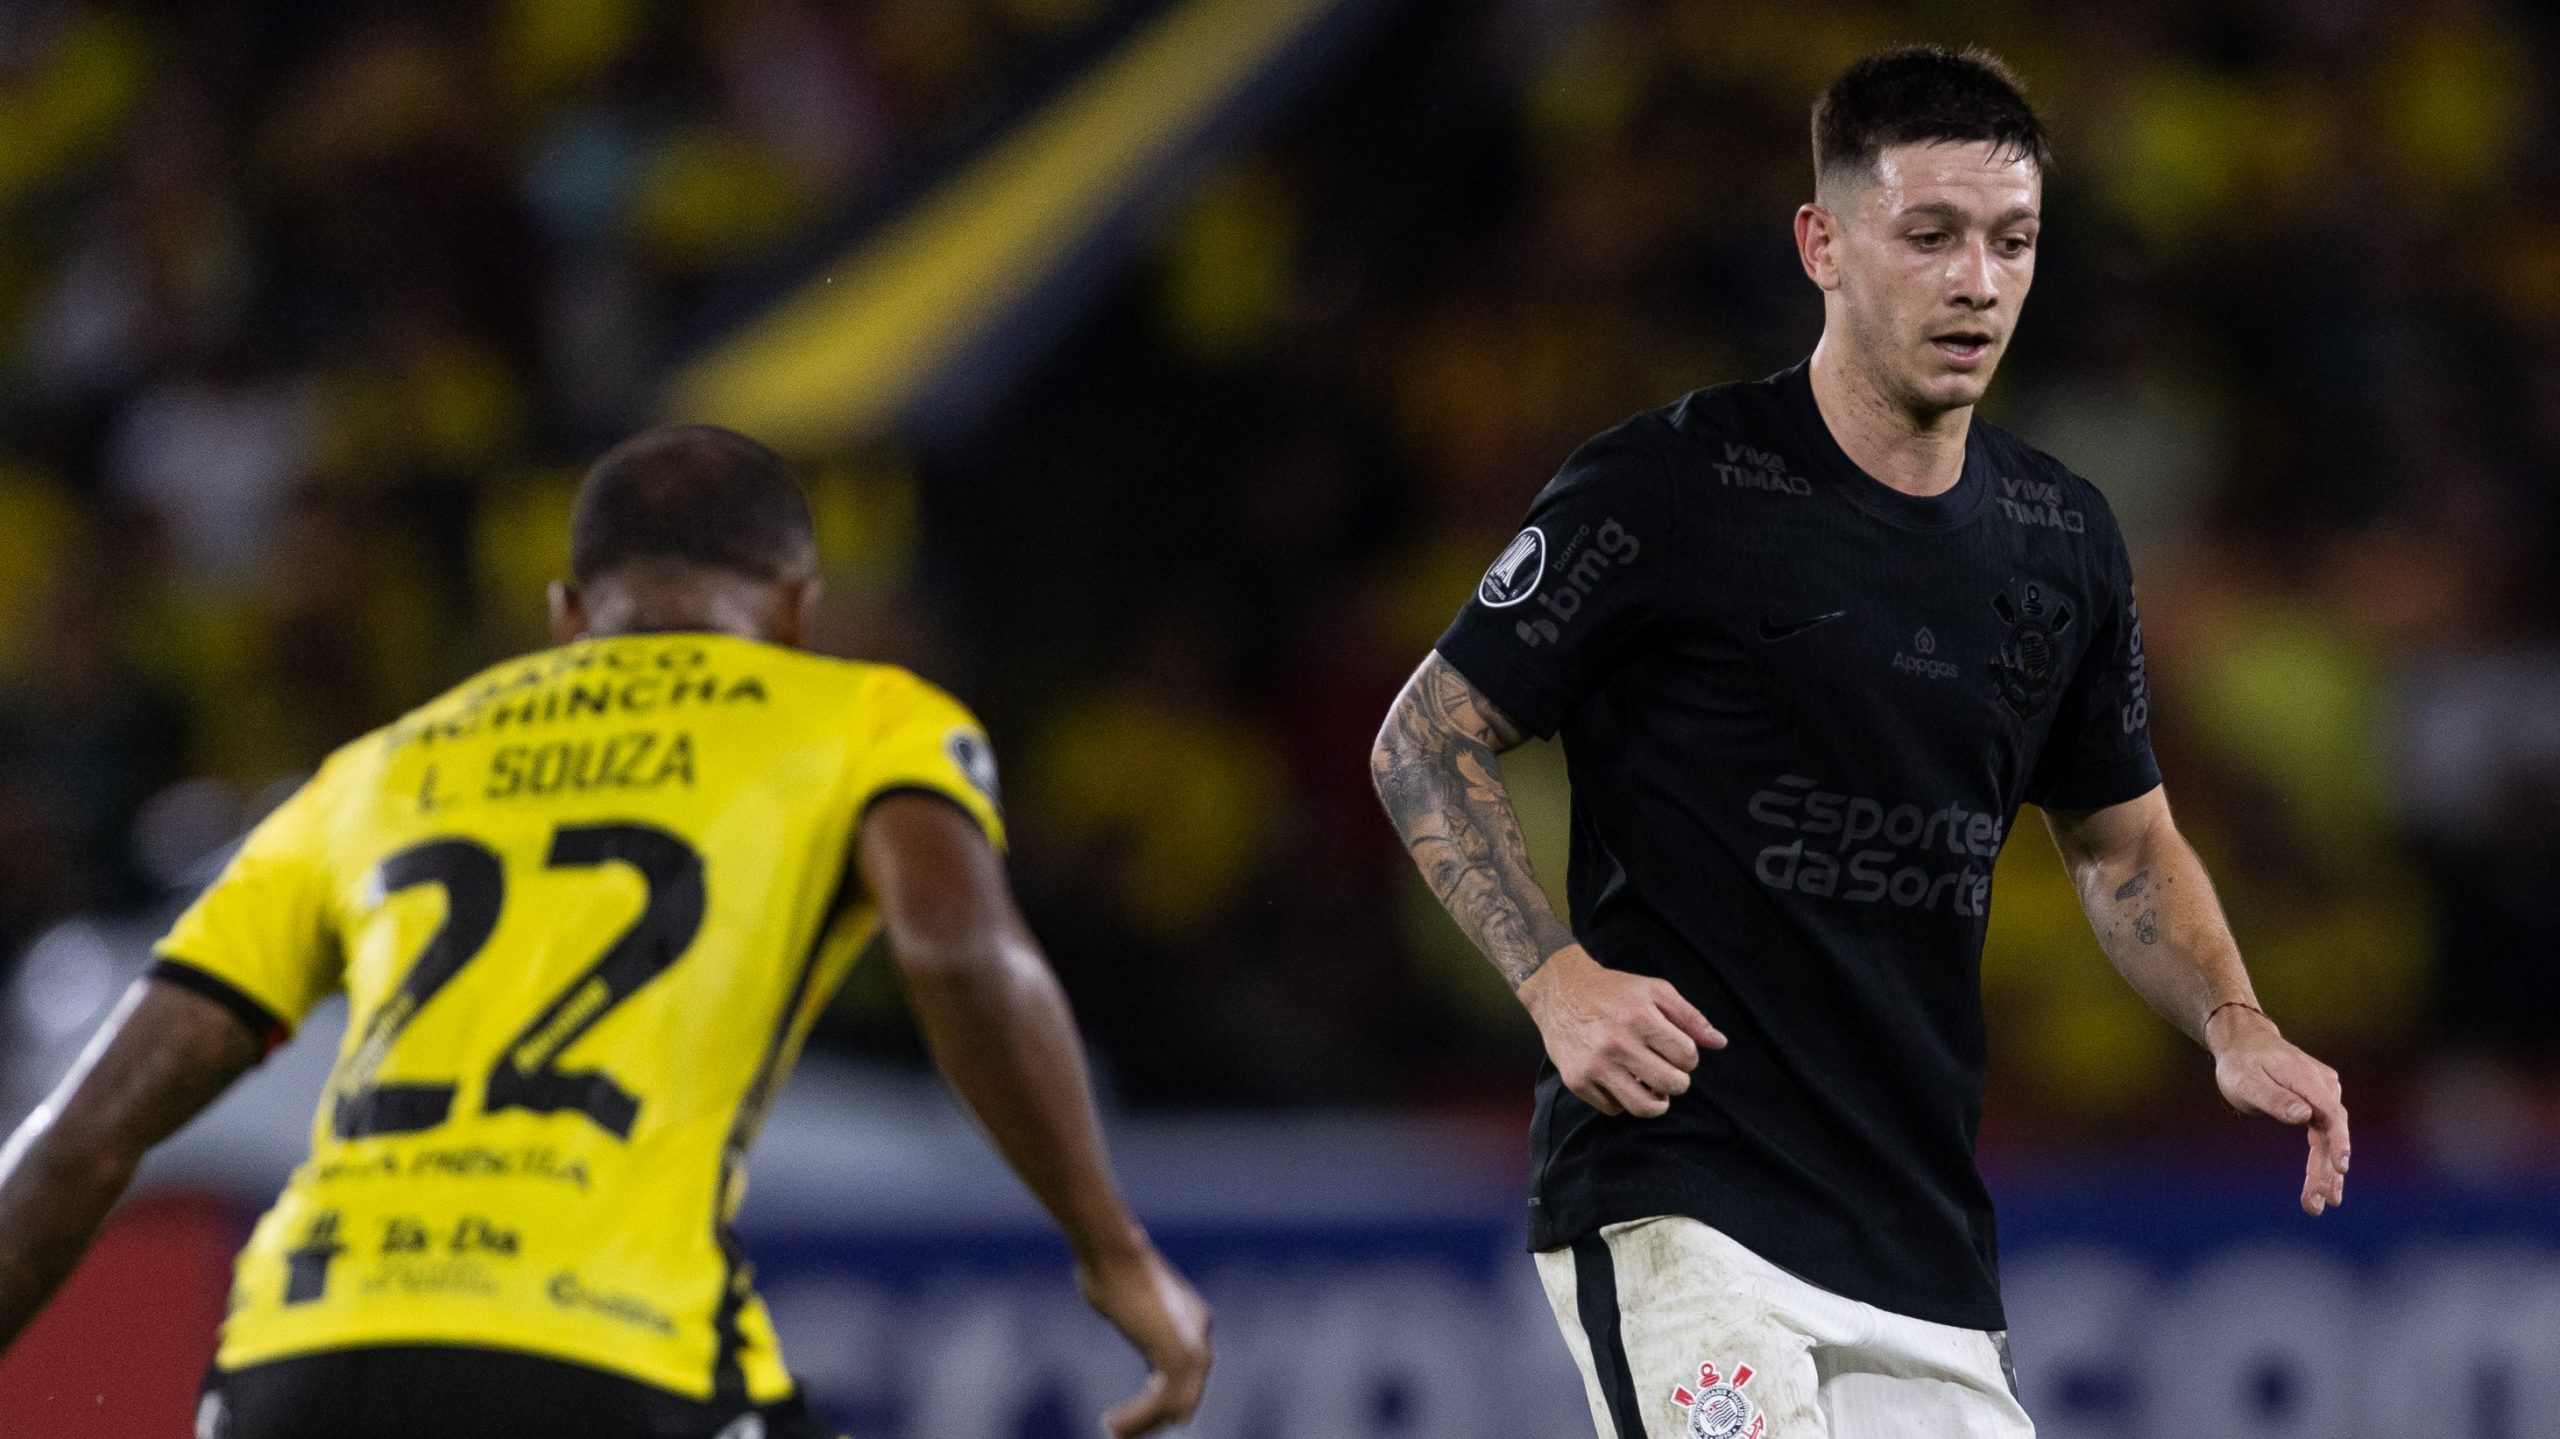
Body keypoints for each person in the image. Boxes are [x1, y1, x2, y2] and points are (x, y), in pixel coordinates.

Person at [1369, 46, 2346, 1439]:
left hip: (1920, 1242)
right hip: (1683, 1197)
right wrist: (1556, 978)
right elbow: (1424, 738)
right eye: (1930, 235)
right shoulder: (1667, 488)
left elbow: (2124, 842)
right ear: (1821, 244)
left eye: (2012, 241)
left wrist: (2232, 1019)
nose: (1978, 282)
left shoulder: (2061, 539)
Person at [0, 425, 1211, 1439]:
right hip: (608, 1344)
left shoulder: (372, 771)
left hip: (297, 1356)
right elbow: (956, 952)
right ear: (799, 610)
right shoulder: (860, 714)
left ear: (566, 613)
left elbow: (82, 1137)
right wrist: (1110, 1247)